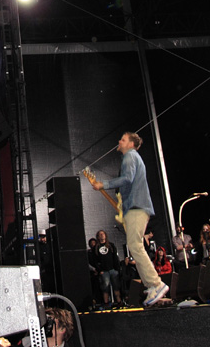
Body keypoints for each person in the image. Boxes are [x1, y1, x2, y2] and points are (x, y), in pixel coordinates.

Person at [89, 131, 169, 306]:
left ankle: (156, 284)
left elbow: (127, 179)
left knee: (135, 246)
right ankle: (151, 284)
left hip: (137, 208)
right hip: (135, 207)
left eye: (123, 139)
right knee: (135, 246)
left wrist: (103, 184)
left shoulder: (130, 156)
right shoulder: (132, 158)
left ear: (131, 144)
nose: (119, 141)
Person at [88, 229, 123, 308]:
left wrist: (117, 268)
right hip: (104, 271)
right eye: (100, 234)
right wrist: (99, 270)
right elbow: (94, 260)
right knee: (105, 287)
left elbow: (115, 257)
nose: (102, 235)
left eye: (103, 234)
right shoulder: (96, 248)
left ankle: (119, 301)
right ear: (98, 237)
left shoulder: (110, 245)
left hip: (112, 269)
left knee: (116, 286)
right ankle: (106, 303)